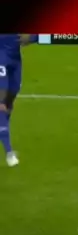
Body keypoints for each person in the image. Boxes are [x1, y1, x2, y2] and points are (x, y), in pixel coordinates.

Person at [0, 34, 37, 166]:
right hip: (1, 57)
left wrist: (33, 38)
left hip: (15, 59)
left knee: (9, 102)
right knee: (1, 104)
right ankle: (9, 152)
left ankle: (2, 128)